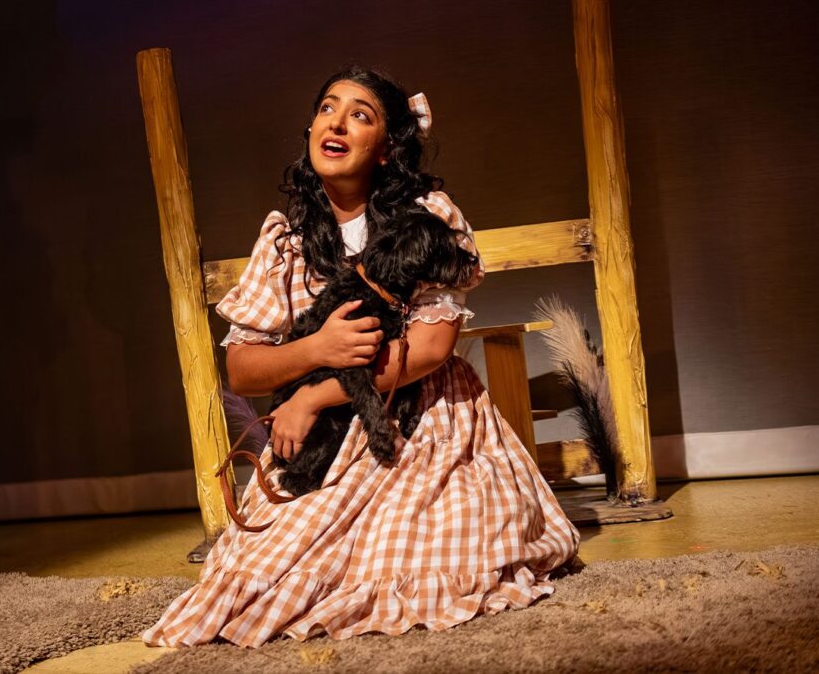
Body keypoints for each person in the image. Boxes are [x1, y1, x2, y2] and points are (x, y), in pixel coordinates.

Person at [142, 65, 580, 649]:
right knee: (266, 573)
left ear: (386, 148)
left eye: (360, 115)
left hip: (419, 416)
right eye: (327, 108)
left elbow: (430, 350)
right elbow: (243, 372)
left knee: (421, 560)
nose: (337, 123)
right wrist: (315, 349)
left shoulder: (426, 218)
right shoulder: (284, 239)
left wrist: (312, 396)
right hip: (323, 439)